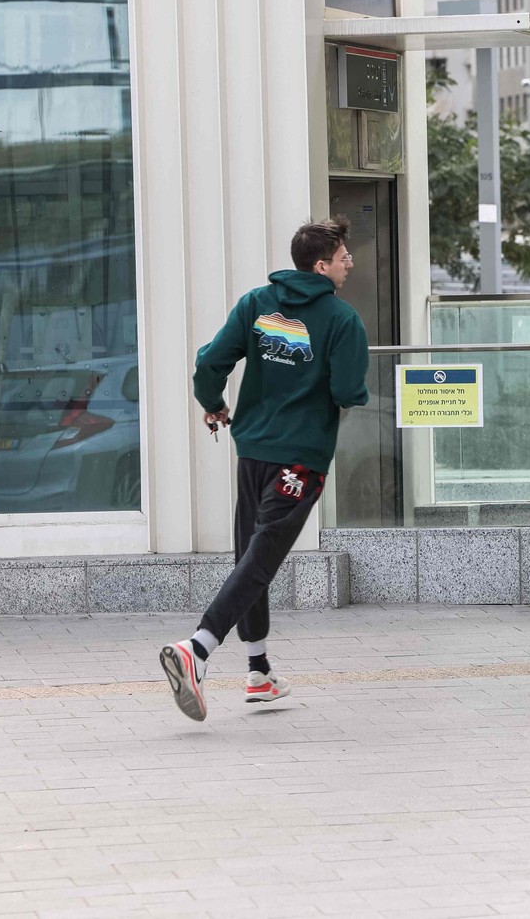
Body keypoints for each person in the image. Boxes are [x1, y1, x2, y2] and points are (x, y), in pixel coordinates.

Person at [159, 219, 370, 721]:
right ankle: (199, 648)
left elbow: (211, 361)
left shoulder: (256, 303)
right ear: (321, 265)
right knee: (262, 557)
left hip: (252, 450)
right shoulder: (342, 320)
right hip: (300, 458)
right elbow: (348, 392)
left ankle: (258, 672)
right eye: (344, 256)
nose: (350, 262)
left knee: (250, 555)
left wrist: (213, 403)